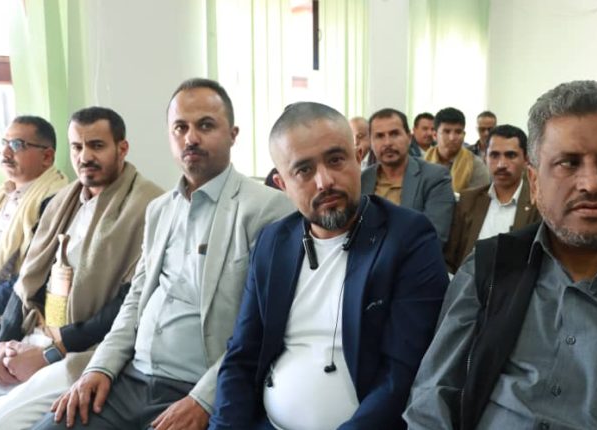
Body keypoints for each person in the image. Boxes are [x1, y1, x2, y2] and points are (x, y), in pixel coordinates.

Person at [405, 80, 597, 430]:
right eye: (568, 163)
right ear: (534, 182)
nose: (591, 183)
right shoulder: (489, 267)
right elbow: (432, 399)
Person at [31, 78, 292, 430]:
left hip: (196, 388)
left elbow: (263, 327)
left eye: (205, 125)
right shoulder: (159, 210)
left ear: (233, 134)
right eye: (180, 128)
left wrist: (206, 399)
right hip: (130, 379)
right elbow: (135, 300)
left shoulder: (267, 209)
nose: (191, 138)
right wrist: (100, 368)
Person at [210, 102, 448, 429]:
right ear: (282, 184)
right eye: (303, 170)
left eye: (335, 160)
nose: (324, 181)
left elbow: (402, 371)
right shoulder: (272, 242)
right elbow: (241, 356)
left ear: (358, 157)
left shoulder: (407, 238)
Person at [0, 107, 163, 430]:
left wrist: (49, 354)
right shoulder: (59, 202)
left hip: (82, 349)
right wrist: (5, 339)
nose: (85, 157)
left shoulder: (151, 207)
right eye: (77, 147)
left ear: (122, 148)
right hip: (35, 332)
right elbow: (26, 281)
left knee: (1, 423)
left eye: (97, 146)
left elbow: (129, 306)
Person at [0, 116, 68, 337]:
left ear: (47, 156)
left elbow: (32, 278)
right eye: (4, 143)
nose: (5, 152)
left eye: (17, 145)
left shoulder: (53, 204)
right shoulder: (4, 193)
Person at [444, 124, 540, 273]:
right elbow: (449, 259)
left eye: (511, 155)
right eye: (494, 155)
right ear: (485, 158)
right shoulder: (469, 200)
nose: (501, 164)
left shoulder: (538, 203)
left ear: (526, 160)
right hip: (468, 283)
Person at [361, 108, 455, 243]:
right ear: (371, 142)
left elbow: (434, 237)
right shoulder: (362, 180)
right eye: (380, 136)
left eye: (394, 134)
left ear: (409, 138)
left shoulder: (435, 177)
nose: (387, 143)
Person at [424, 107, 489, 194]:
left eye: (458, 132)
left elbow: (478, 200)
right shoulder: (421, 163)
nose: (452, 138)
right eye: (447, 132)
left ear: (464, 135)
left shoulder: (476, 166)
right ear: (435, 135)